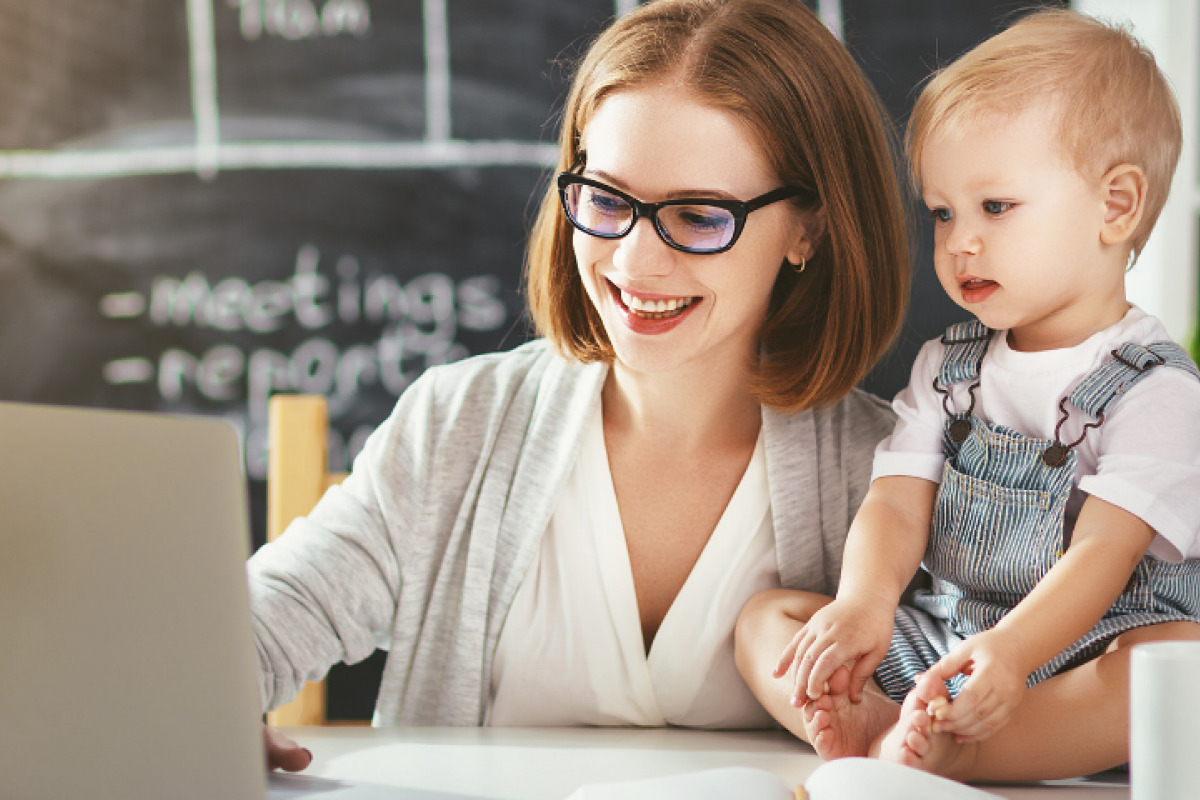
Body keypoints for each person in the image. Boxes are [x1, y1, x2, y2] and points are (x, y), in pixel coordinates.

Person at [251, 0, 910, 771]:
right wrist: (206, 696)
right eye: (605, 200)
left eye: (697, 216)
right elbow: (270, 616)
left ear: (810, 229)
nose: (634, 262)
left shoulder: (892, 479)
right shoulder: (459, 422)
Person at [735, 8, 1200, 782]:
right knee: (766, 620)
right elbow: (895, 503)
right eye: (943, 213)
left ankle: (969, 750)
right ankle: (891, 722)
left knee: (1180, 661)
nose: (959, 243)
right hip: (949, 642)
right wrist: (863, 606)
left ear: (1114, 206)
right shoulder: (950, 368)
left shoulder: (1157, 390)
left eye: (996, 207)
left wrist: (1012, 657)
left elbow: (1102, 556)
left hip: (1080, 652)